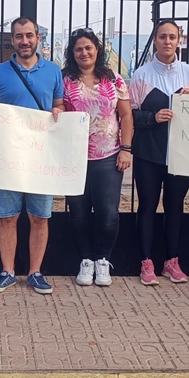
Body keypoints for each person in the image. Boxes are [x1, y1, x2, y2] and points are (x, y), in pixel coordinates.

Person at [0, 17, 65, 294]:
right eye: (18, 36)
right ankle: (7, 271)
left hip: (41, 157)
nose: (24, 41)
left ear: (38, 37)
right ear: (12, 40)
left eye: (29, 35)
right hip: (9, 156)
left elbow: (59, 104)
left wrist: (59, 113)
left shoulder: (53, 71)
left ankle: (35, 272)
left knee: (40, 217)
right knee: (7, 216)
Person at [129, 19, 189, 286]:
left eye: (172, 37)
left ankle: (172, 261)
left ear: (179, 41)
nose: (167, 41)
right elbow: (131, 115)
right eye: (162, 37)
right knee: (147, 206)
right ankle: (146, 262)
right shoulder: (141, 75)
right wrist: (154, 117)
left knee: (175, 208)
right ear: (155, 40)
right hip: (149, 153)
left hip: (181, 153)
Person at [62, 27, 133, 287]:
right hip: (75, 157)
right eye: (79, 48)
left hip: (109, 156)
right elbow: (57, 108)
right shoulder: (65, 80)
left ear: (97, 50)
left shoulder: (113, 79)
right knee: (78, 213)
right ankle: (86, 260)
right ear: (72, 53)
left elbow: (126, 115)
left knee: (107, 213)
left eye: (88, 47)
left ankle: (103, 260)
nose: (84, 52)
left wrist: (126, 149)